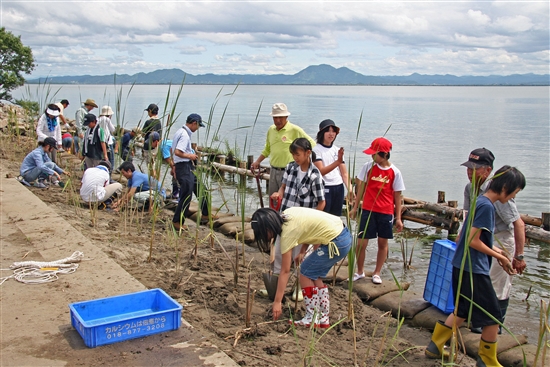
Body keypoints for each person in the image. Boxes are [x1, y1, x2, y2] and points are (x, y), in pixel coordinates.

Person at [425, 166, 526, 367]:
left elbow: (471, 237)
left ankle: (435, 347)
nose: (513, 196)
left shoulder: (479, 201)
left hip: (461, 264)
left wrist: (498, 253)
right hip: (474, 269)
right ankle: (487, 360)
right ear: (505, 187)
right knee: (493, 316)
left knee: (462, 310)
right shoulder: (487, 206)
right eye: (514, 192)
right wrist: (503, 258)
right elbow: (473, 240)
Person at [459, 148, 527, 334]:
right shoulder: (469, 188)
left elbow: (518, 224)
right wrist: (460, 238)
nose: (470, 173)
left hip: (501, 238)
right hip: (481, 239)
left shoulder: (496, 193)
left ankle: (496, 325)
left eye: (475, 169)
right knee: (481, 280)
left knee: (498, 284)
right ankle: (481, 321)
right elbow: (467, 217)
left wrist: (518, 256)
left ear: (488, 171)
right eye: (469, 168)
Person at [251, 207, 351, 328]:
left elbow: (285, 270)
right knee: (315, 276)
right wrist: (303, 250)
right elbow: (309, 228)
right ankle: (323, 317)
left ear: (268, 228)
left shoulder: (287, 234)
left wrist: (277, 302)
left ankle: (312, 316)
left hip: (336, 241)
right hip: (343, 235)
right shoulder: (287, 214)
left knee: (305, 272)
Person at [270, 138, 325, 284]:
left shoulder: (315, 176)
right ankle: (275, 283)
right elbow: (283, 187)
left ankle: (298, 287)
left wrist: (313, 221)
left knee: (299, 256)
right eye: (293, 154)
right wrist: (278, 194)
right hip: (286, 217)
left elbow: (321, 202)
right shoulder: (291, 167)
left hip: (302, 222)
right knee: (280, 252)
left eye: (298, 154)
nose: (295, 158)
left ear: (308, 153)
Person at [350, 137, 405, 284]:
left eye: (375, 154)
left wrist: (398, 217)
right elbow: (360, 187)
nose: (372, 156)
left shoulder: (395, 172)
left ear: (384, 155)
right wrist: (355, 208)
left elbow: (397, 196)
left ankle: (377, 273)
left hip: (385, 211)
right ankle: (360, 271)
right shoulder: (368, 167)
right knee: (361, 243)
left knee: (382, 243)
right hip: (368, 210)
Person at [250, 103, 316, 198]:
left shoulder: (295, 130)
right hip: (273, 171)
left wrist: (306, 164)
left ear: (286, 116)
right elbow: (267, 149)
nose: (277, 120)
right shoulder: (271, 130)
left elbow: (312, 145)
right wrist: (257, 161)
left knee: (287, 200)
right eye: (275, 117)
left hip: (289, 172)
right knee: (273, 200)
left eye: (280, 117)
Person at [172, 113, 213, 230]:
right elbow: (178, 152)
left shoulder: (180, 132)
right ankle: (177, 221)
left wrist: (173, 165)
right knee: (186, 195)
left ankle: (205, 213)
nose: (198, 128)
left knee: (201, 189)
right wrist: (191, 156)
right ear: (194, 123)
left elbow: (172, 149)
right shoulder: (184, 135)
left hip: (186, 166)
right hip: (184, 167)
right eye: (198, 126)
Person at [313, 119, 354, 216]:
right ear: (322, 133)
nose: (331, 134)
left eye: (333, 131)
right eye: (328, 131)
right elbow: (321, 171)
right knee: (324, 216)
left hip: (338, 187)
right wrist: (338, 162)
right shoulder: (316, 150)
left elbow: (344, 173)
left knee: (336, 217)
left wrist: (350, 189)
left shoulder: (337, 150)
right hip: (324, 187)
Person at [149, 132, 179, 199]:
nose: (149, 144)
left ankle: (178, 195)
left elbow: (168, 159)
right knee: (175, 176)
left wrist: (173, 169)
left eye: (151, 142)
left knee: (177, 176)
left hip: (186, 159)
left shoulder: (163, 146)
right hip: (179, 158)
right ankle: (175, 194)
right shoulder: (163, 143)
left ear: (156, 141)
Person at [98, 106, 117, 171]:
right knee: (111, 159)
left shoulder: (98, 119)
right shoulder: (107, 119)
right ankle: (110, 173)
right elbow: (113, 129)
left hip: (100, 142)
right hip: (108, 142)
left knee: (102, 159)